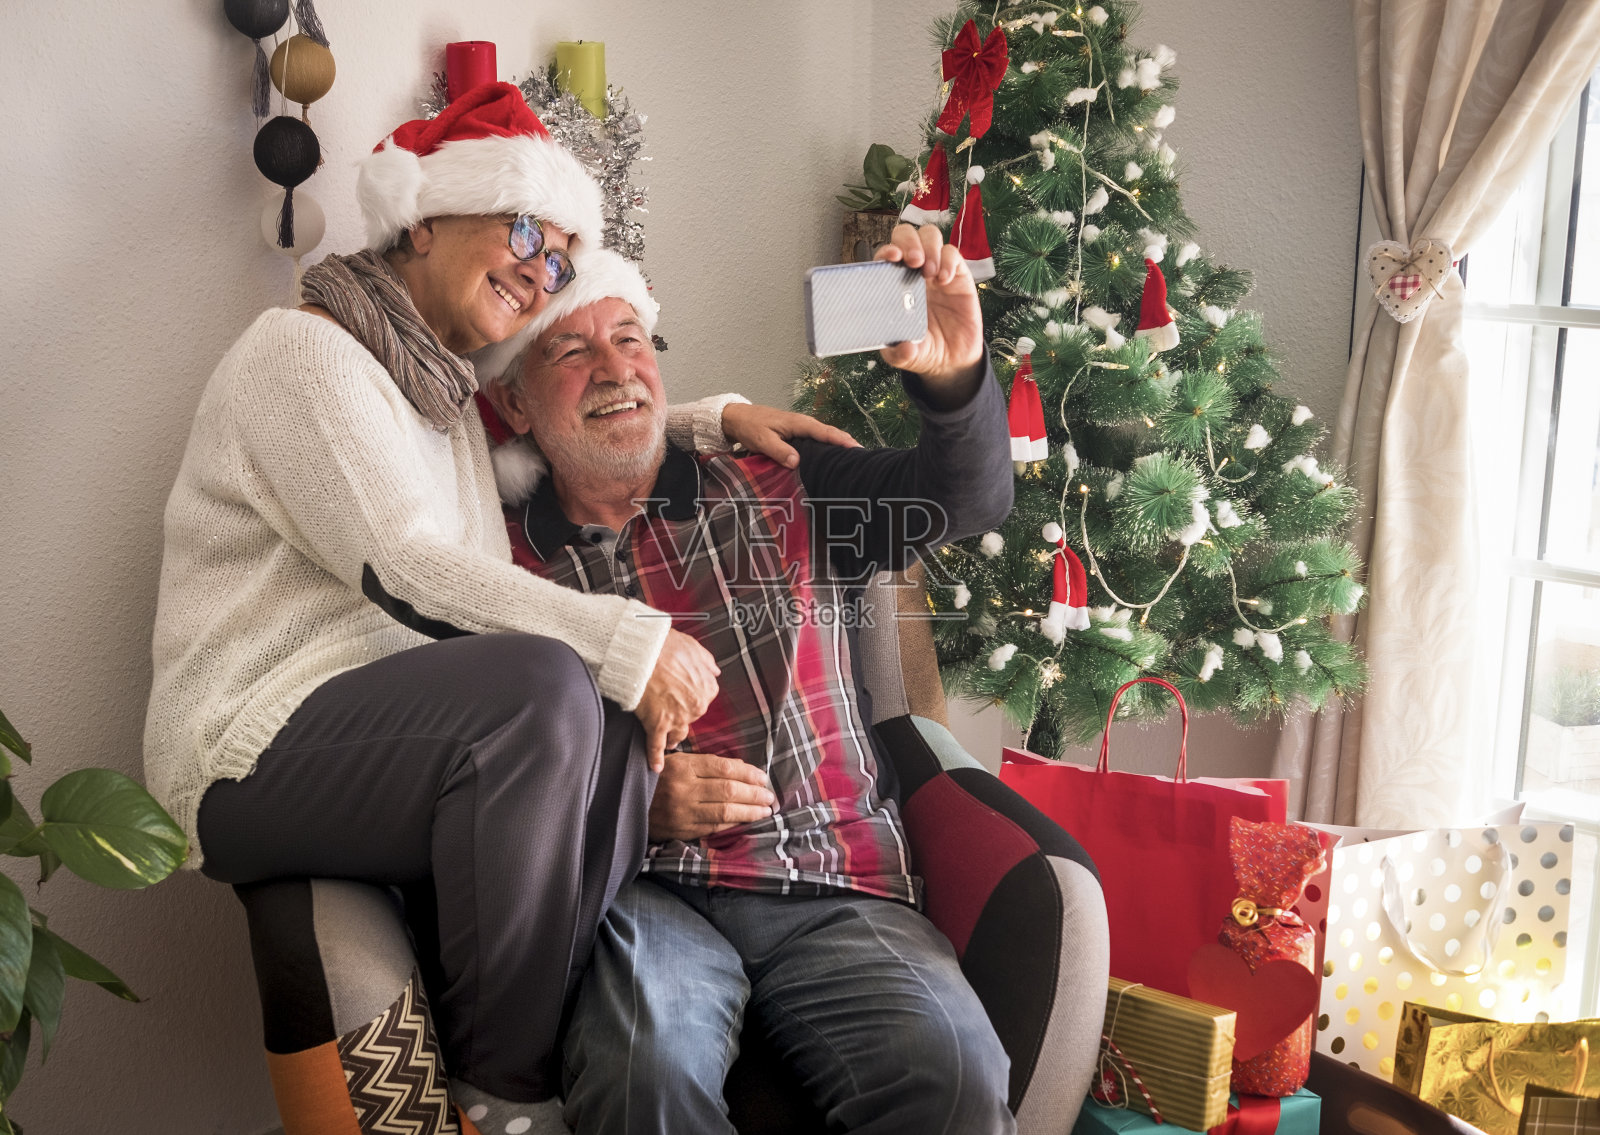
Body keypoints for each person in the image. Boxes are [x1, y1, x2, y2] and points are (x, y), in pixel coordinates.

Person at [142, 82, 852, 1124]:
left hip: (390, 739)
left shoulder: (443, 399)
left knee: (606, 726)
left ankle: (555, 1047)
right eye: (523, 227)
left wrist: (709, 414)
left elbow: (581, 423)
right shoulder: (302, 353)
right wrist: (626, 637)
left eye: (561, 255)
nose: (540, 267)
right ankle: (505, 1092)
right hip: (250, 745)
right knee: (542, 683)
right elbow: (404, 564)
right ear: (420, 218)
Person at [478, 226, 1017, 1134]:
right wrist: (629, 794)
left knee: (953, 1069)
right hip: (644, 892)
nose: (613, 368)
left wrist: (955, 376)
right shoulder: (496, 563)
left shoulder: (785, 480)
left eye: (631, 341)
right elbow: (484, 774)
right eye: (570, 350)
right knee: (644, 1072)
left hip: (836, 881)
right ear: (517, 405)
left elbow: (961, 499)